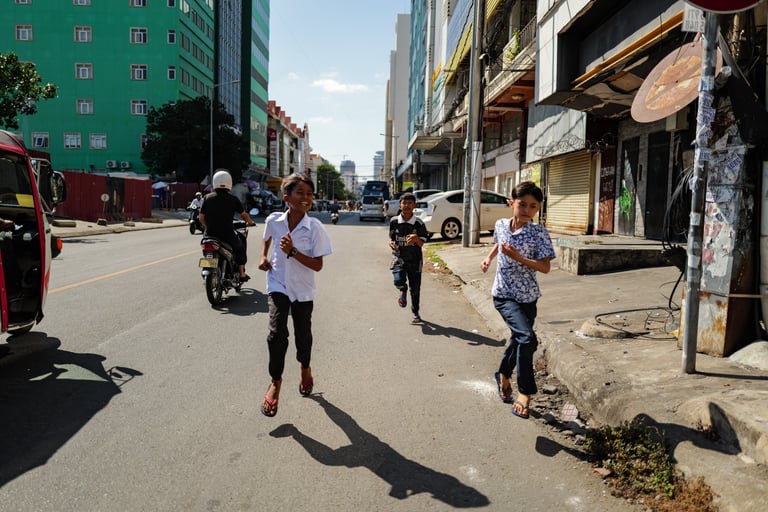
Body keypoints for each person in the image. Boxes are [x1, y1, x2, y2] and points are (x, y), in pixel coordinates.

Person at [258, 173, 332, 417]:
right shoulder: (274, 220)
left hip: (302, 290)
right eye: (301, 193)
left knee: (303, 336)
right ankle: (275, 382)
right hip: (278, 283)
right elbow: (266, 238)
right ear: (287, 197)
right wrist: (263, 257)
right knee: (276, 334)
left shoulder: (315, 228)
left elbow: (318, 265)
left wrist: (292, 252)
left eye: (310, 194)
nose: (306, 198)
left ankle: (305, 367)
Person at [480, 181, 555, 420]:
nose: (527, 210)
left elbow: (545, 268)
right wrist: (488, 258)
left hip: (528, 297)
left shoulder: (539, 233)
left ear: (537, 209)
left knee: (519, 339)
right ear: (511, 203)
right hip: (504, 294)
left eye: (533, 206)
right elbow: (498, 245)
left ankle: (502, 374)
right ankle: (525, 393)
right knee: (526, 338)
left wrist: (519, 257)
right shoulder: (501, 224)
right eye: (522, 204)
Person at [199, 169, 256, 281]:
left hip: (210, 234)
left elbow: (201, 218)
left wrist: (207, 227)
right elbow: (244, 215)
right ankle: (242, 274)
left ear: (215, 182)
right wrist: (250, 222)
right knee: (240, 247)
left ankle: (206, 265)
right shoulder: (233, 199)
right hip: (227, 234)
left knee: (206, 250)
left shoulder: (207, 198)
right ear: (229, 183)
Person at [388, 192, 428, 323]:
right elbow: (392, 238)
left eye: (410, 203)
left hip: (415, 261)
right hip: (400, 259)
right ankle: (402, 290)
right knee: (398, 281)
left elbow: (422, 243)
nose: (406, 205)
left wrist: (416, 238)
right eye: (404, 203)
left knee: (415, 289)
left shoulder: (419, 223)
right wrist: (391, 243)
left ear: (414, 205)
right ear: (400, 205)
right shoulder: (394, 221)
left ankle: (415, 312)